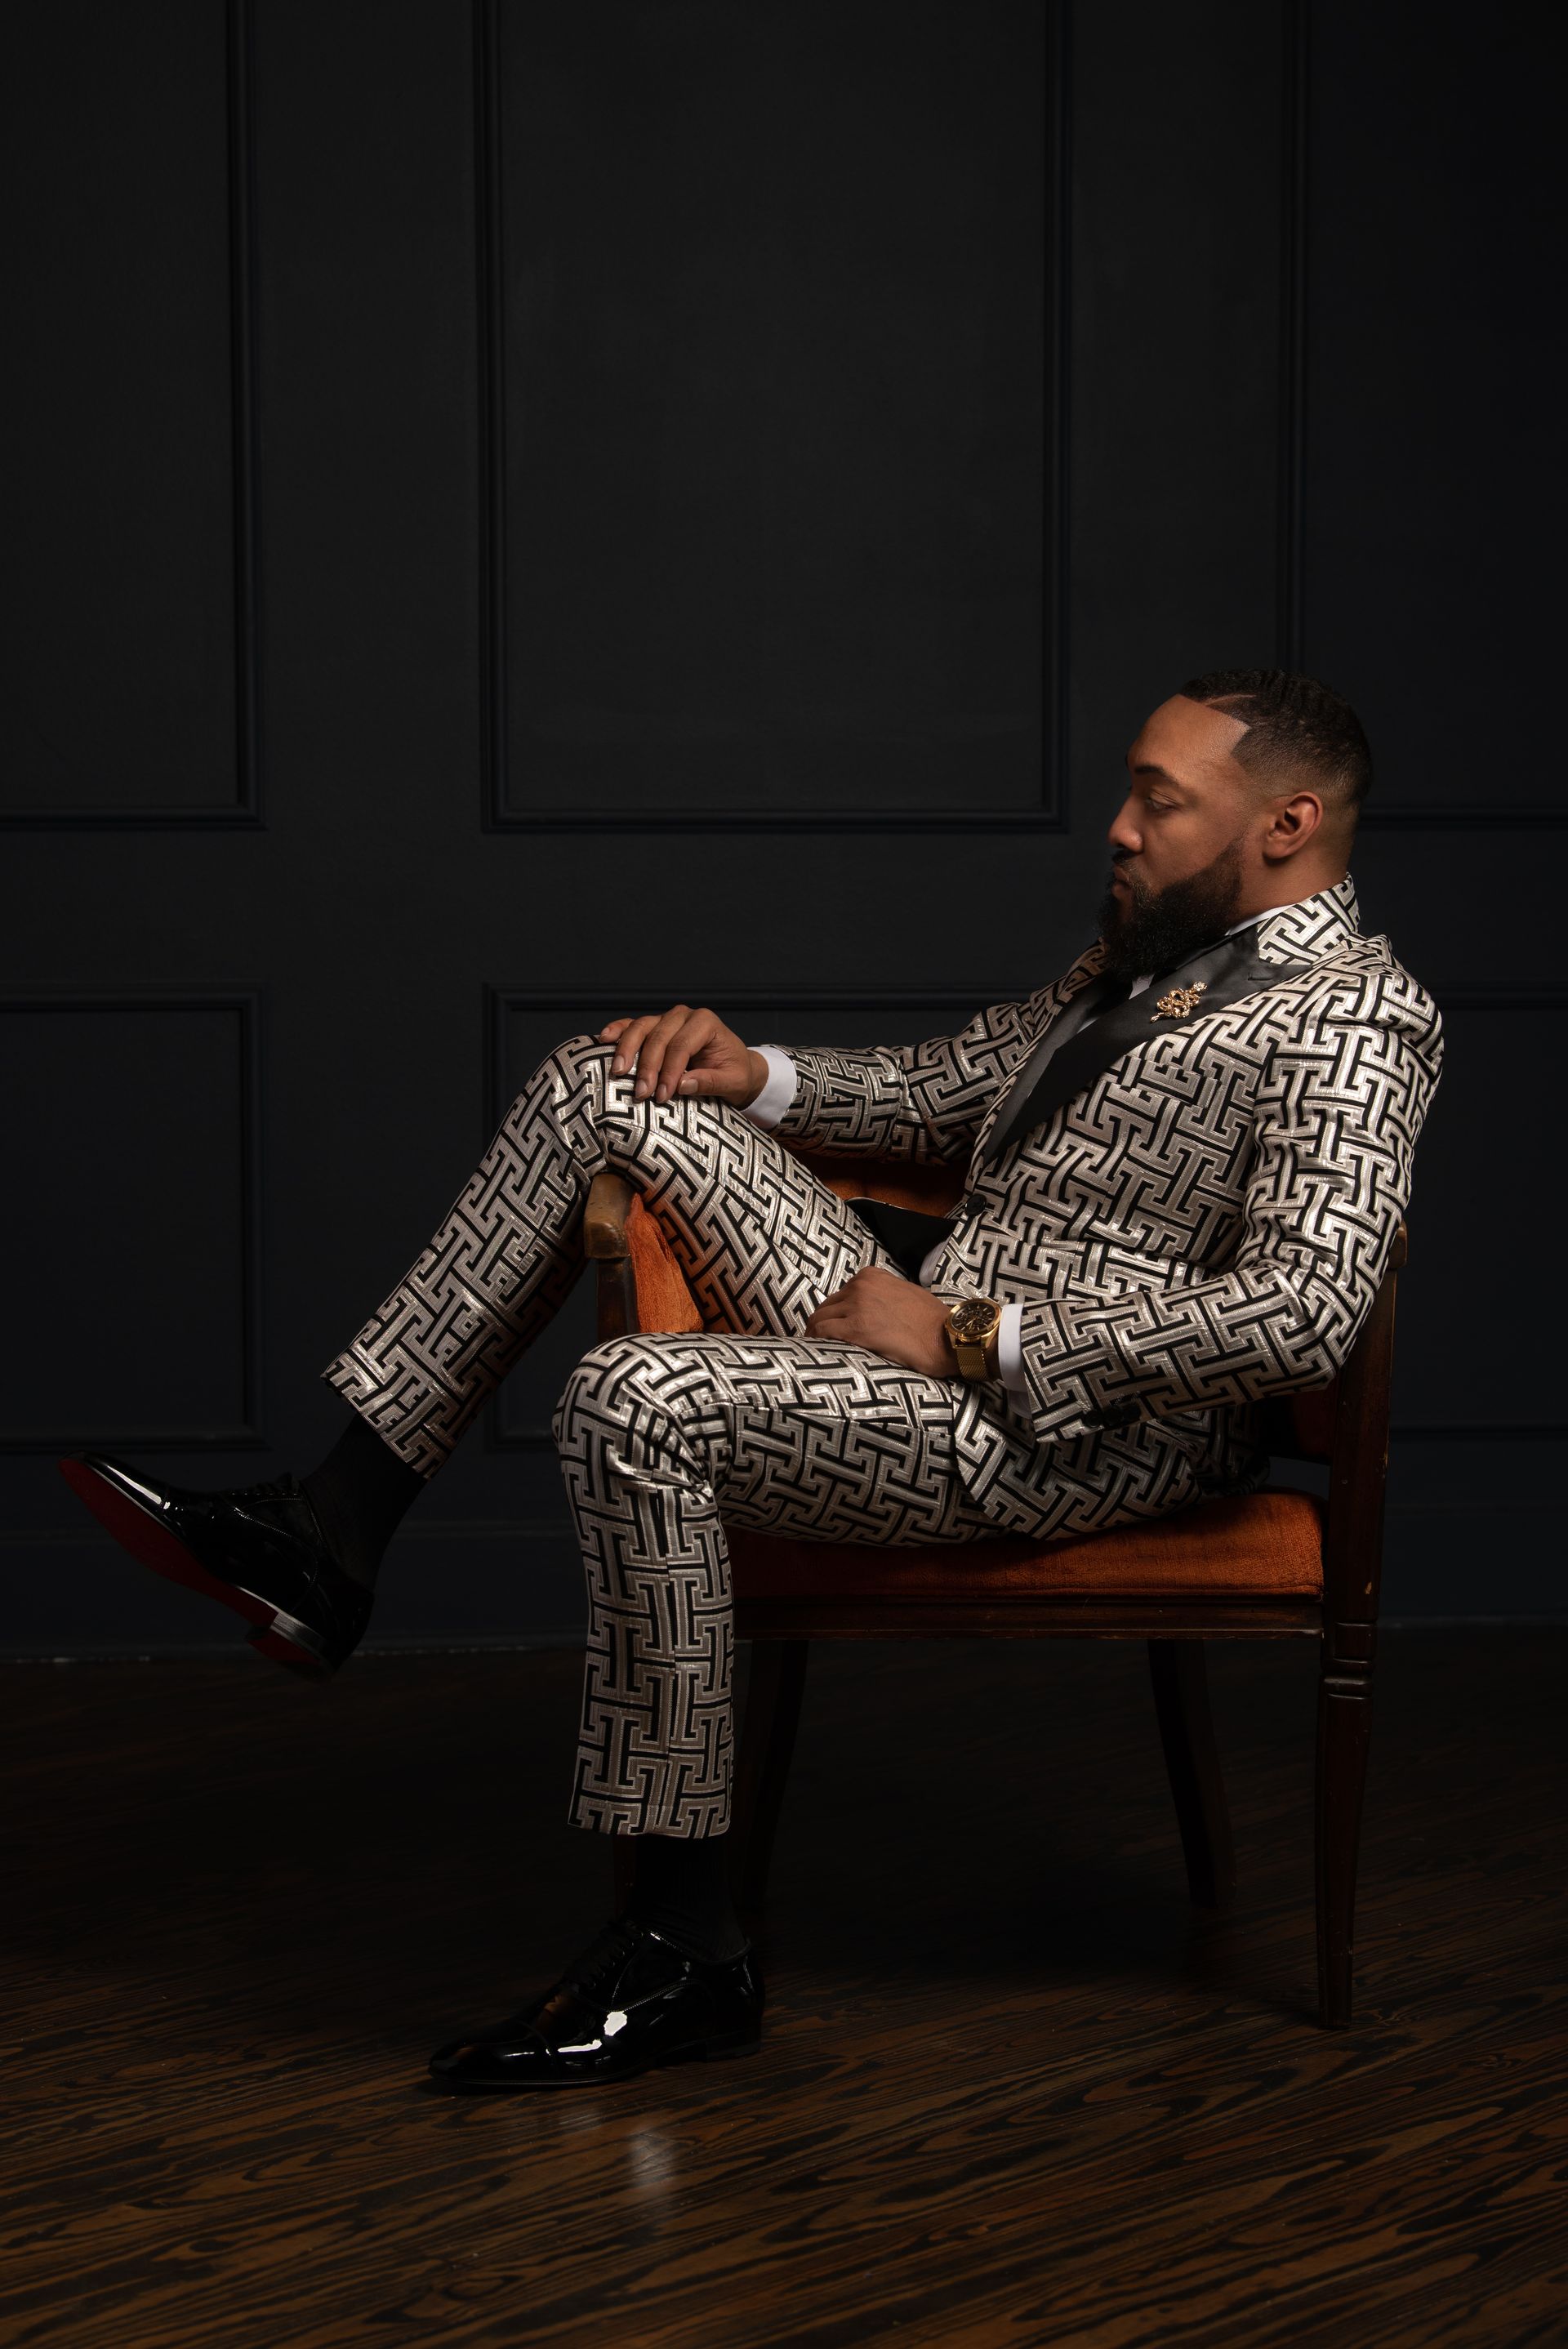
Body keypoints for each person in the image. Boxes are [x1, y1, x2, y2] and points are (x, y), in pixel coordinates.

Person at [60, 668, 1442, 2091]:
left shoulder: (1354, 1021)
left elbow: (1307, 1312)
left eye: (1161, 801)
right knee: (608, 1079)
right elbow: (937, 1095)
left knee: (631, 1399)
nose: (1119, 826)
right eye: (1130, 792)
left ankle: (683, 1949)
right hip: (915, 1330)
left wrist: (973, 1339)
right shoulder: (1145, 953)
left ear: (1286, 821)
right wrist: (750, 1072)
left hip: (1071, 1430)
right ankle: (332, 1530)